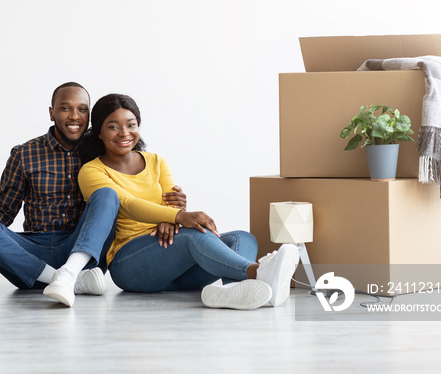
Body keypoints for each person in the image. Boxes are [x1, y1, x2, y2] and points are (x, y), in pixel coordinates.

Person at [0, 82, 187, 308]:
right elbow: (4, 209)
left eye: (82, 109)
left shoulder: (105, 152)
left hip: (83, 248)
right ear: (52, 113)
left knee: (106, 194)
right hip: (32, 252)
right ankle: (62, 280)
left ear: (90, 116)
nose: (74, 116)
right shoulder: (24, 154)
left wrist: (169, 211)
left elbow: (135, 192)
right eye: (65, 108)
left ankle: (71, 272)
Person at [77, 93, 300, 310]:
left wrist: (172, 219)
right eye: (113, 126)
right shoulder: (91, 171)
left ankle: (233, 291)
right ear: (99, 132)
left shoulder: (156, 161)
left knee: (242, 237)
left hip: (177, 267)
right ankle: (257, 273)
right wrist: (179, 216)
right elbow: (126, 203)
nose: (124, 133)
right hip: (131, 266)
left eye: (131, 124)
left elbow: (171, 201)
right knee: (194, 236)